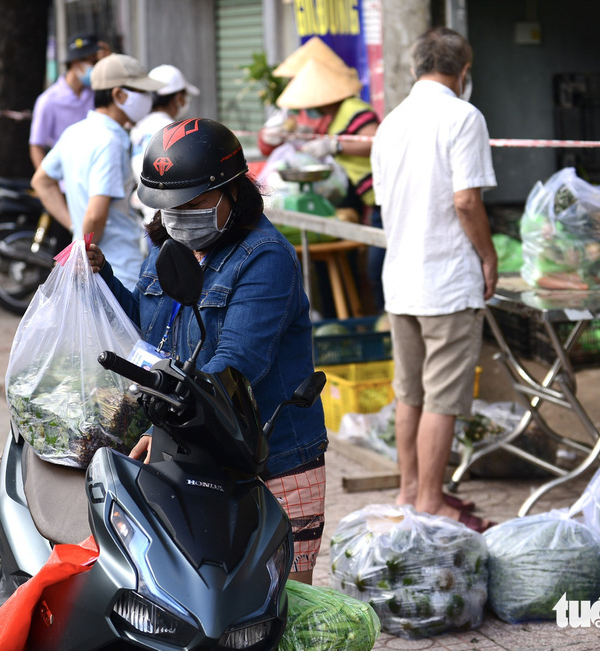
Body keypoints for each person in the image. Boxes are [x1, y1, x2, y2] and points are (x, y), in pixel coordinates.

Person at [86, 118, 328, 584]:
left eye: (191, 203)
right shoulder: (171, 247)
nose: (176, 216)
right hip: (189, 453)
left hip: (269, 458)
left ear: (231, 192)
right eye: (167, 207)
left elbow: (235, 366)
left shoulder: (265, 257)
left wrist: (166, 432)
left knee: (275, 607)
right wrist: (103, 278)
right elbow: (150, 327)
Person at [370, 27, 498, 533]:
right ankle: (430, 501)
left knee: (411, 394)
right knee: (441, 397)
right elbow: (466, 201)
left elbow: (385, 204)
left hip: (401, 277)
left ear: (414, 68)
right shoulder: (463, 117)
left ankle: (409, 491)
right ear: (463, 72)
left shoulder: (391, 123)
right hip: (446, 279)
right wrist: (488, 257)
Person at [32, 53, 163, 290]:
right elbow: (95, 215)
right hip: (116, 268)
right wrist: (81, 242)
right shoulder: (110, 141)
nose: (149, 99)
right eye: (142, 92)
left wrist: (75, 228)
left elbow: (41, 181)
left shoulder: (75, 132)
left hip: (90, 264)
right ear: (119, 95)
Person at [275, 58, 385, 313]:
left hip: (383, 197)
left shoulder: (354, 109)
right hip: (369, 197)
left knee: (378, 266)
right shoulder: (334, 117)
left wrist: (335, 146)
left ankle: (385, 318)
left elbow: (376, 141)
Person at [129, 64, 200, 223]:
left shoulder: (139, 128)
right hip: (171, 219)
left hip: (148, 219)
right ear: (177, 98)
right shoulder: (174, 131)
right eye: (184, 95)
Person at [28, 33, 104, 169]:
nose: (97, 67)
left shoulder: (96, 93)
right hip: (66, 181)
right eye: (93, 62)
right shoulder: (48, 100)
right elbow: (36, 145)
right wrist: (47, 183)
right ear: (76, 63)